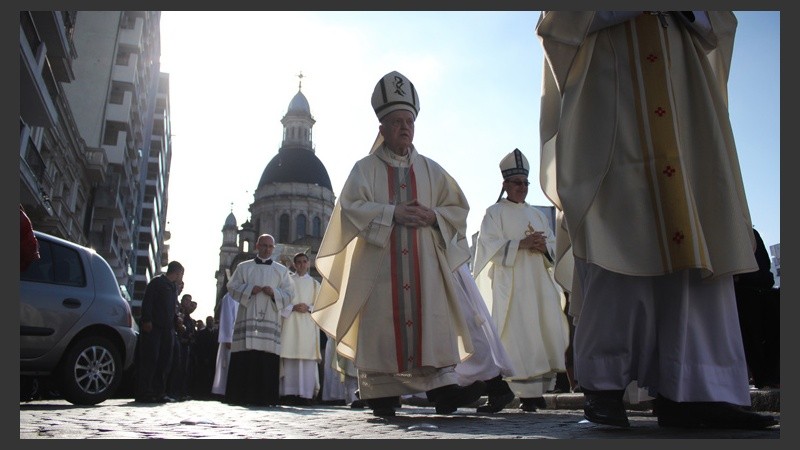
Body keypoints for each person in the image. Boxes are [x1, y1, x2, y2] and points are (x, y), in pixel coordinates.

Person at [536, 11, 776, 429]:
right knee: (614, 234)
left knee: (699, 242)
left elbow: (719, 22)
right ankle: (605, 386)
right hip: (611, 100)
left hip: (684, 104)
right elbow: (558, 22)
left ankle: (697, 392)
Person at [311, 70, 485, 418]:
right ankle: (380, 391)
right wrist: (393, 213)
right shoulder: (364, 169)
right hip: (379, 268)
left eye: (409, 122)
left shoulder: (432, 171)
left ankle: (443, 389)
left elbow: (458, 209)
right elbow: (350, 209)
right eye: (396, 122)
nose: (405, 128)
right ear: (382, 128)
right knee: (381, 325)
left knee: (430, 319)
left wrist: (433, 216)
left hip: (425, 266)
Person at [471, 148, 570, 413]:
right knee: (514, 335)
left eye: (526, 183)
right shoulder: (494, 213)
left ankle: (534, 394)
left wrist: (543, 247)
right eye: (517, 183)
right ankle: (511, 392)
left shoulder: (537, 215)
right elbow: (488, 247)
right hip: (511, 286)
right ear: (505, 185)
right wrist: (521, 244)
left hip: (537, 285)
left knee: (538, 332)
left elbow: (553, 245)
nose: (522, 188)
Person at [225, 233, 294, 407]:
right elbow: (231, 287)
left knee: (266, 359)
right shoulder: (243, 267)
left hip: (270, 318)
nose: (267, 249)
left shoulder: (281, 270)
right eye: (264, 245)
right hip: (248, 317)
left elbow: (290, 294)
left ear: (273, 248)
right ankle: (241, 396)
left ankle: (266, 397)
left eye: (270, 246)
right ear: (257, 246)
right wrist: (249, 289)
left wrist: (274, 293)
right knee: (246, 357)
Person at [734, 227, 780, 389]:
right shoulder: (748, 233)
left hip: (750, 292)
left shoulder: (747, 233)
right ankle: (767, 376)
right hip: (753, 292)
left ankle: (766, 376)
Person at [136, 261, 184, 403]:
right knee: (150, 360)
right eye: (181, 274)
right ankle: (145, 391)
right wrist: (147, 320)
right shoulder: (157, 282)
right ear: (177, 273)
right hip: (154, 328)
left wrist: (177, 320)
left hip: (167, 330)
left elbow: (172, 308)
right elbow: (148, 301)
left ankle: (159, 392)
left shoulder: (173, 288)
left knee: (164, 361)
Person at [279, 252, 322, 405]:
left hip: (308, 326)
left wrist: (309, 307)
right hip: (291, 324)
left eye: (304, 261)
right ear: (294, 264)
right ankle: (289, 393)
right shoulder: (287, 282)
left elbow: (321, 307)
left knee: (307, 360)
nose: (302, 265)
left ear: (309, 264)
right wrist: (292, 307)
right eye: (299, 262)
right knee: (290, 359)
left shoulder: (315, 284)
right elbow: (280, 302)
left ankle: (306, 394)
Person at [211, 292, 239, 398]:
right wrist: (228, 338)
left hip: (239, 337)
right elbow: (226, 318)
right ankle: (224, 391)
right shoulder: (229, 296)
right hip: (231, 338)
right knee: (226, 365)